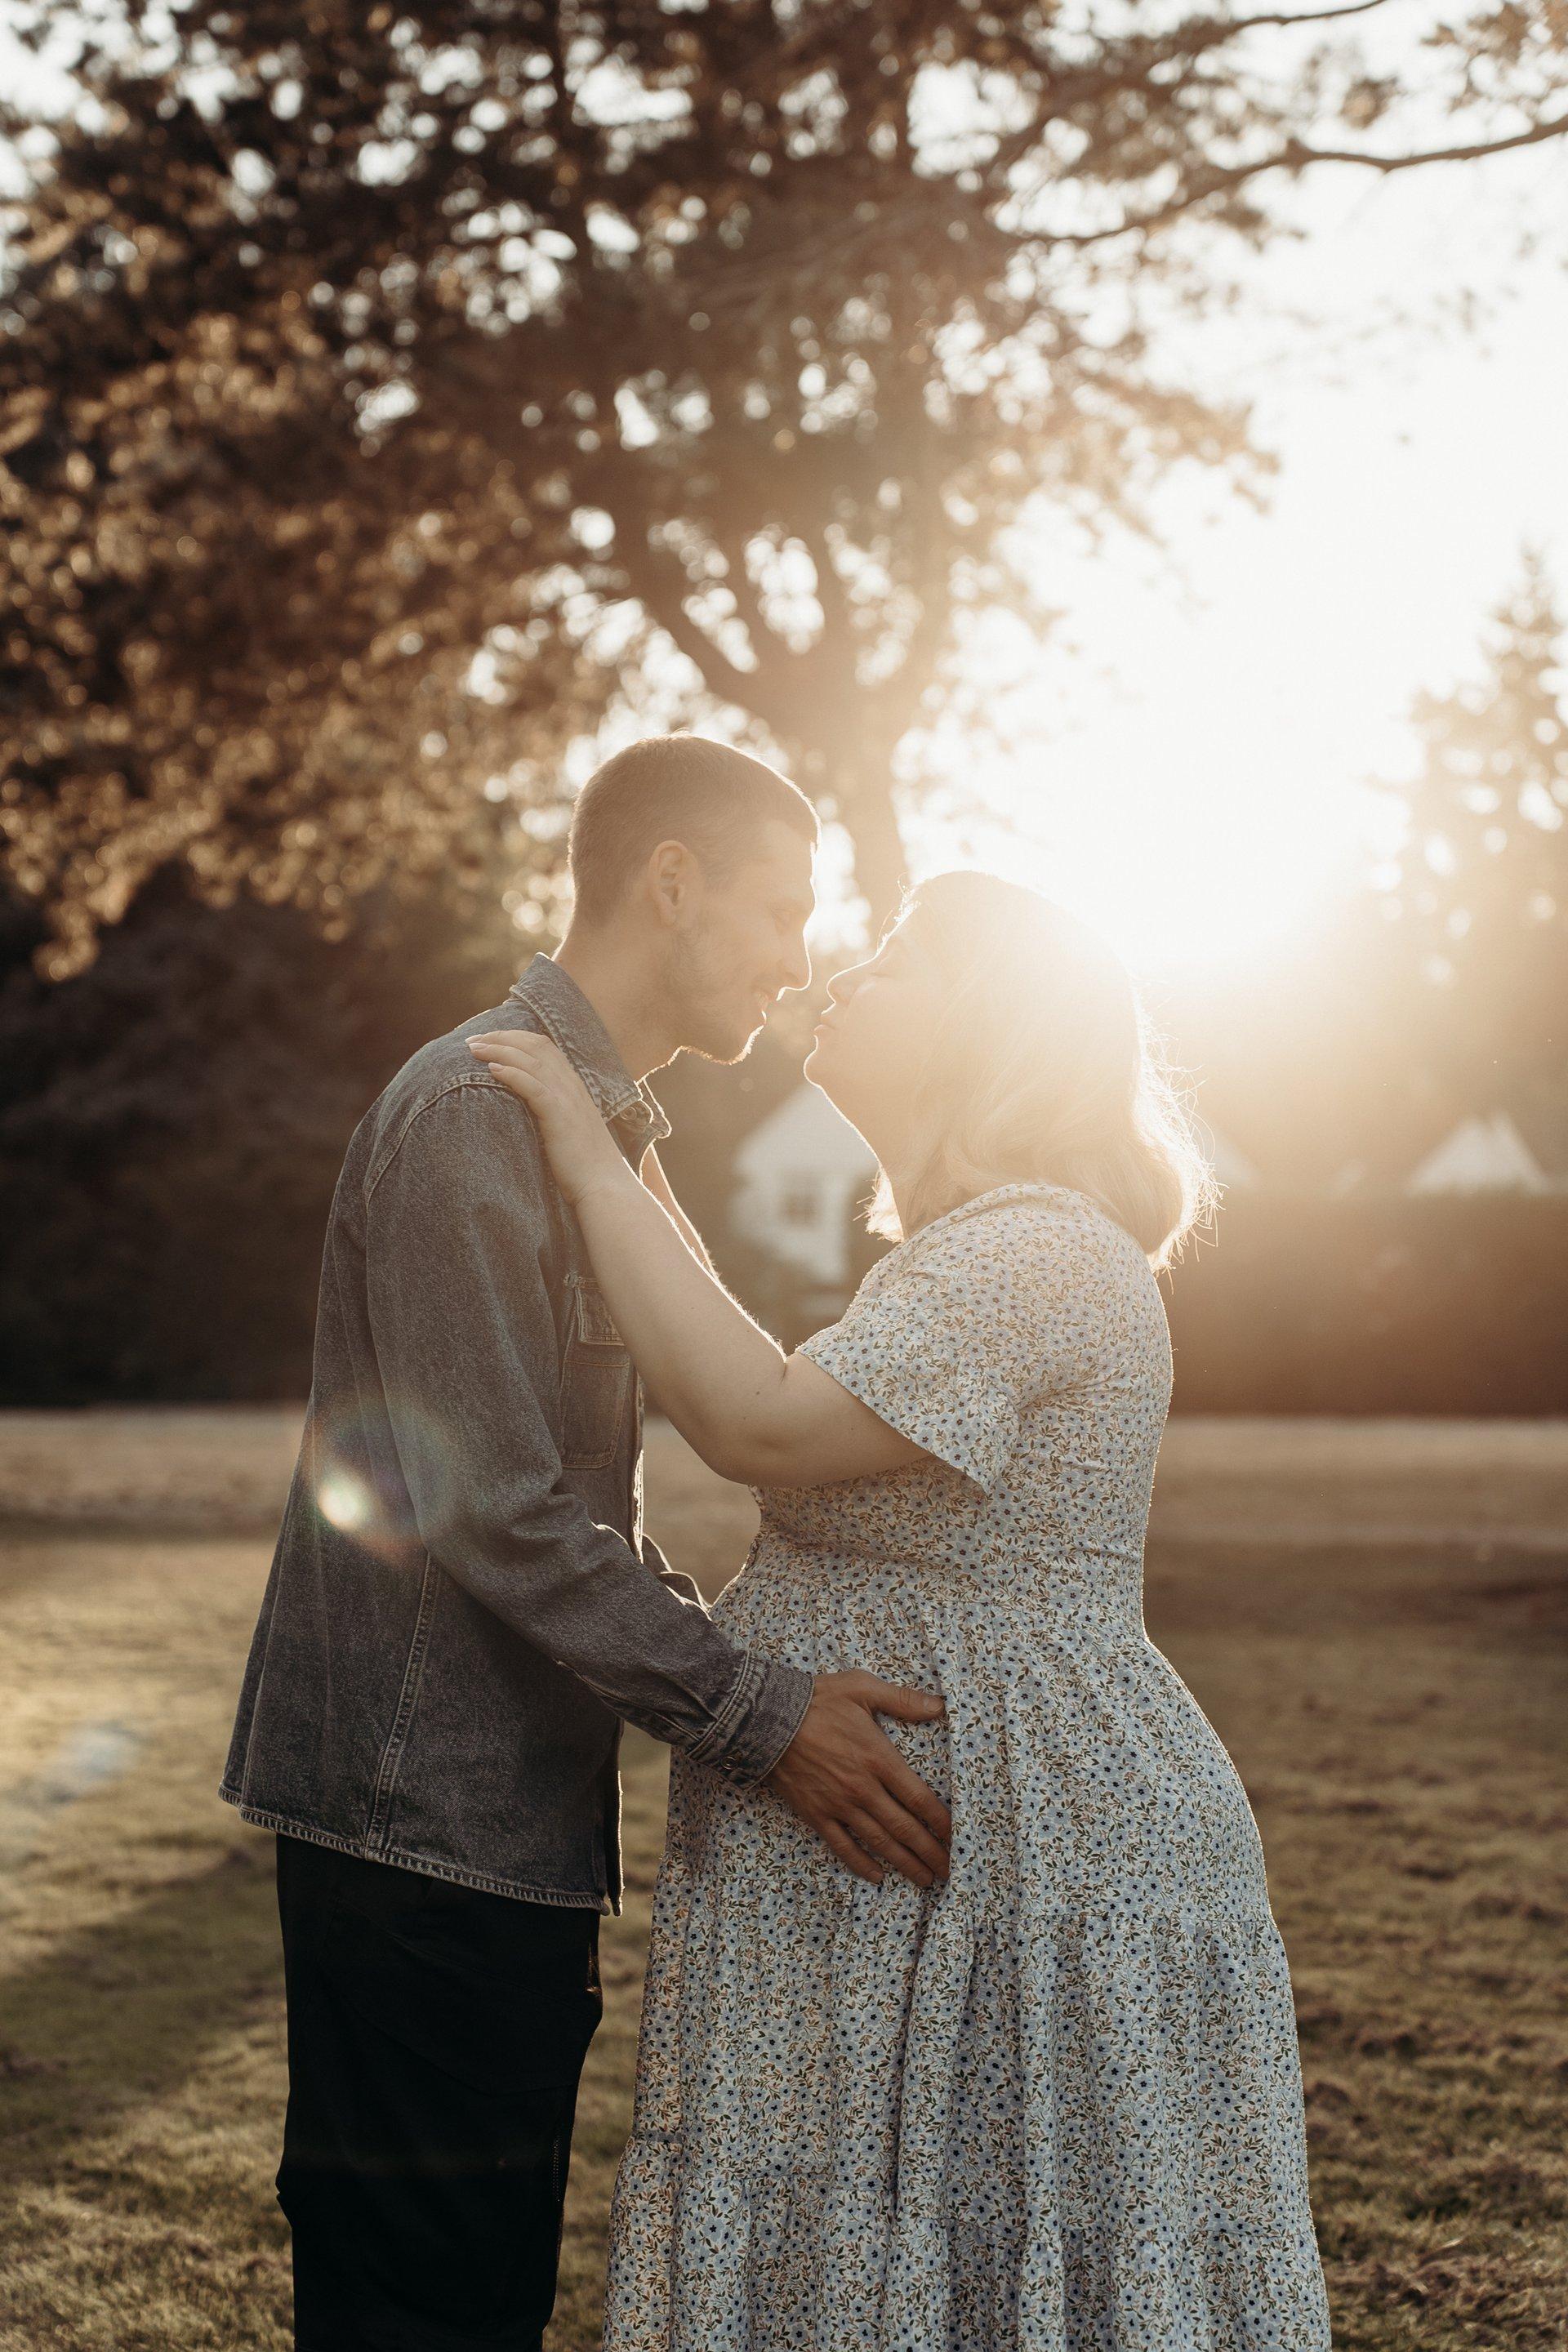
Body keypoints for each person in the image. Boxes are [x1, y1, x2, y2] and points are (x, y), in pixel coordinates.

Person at [470, 868, 1333, 2351]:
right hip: (923, 1837)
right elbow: (735, 1355)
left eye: (895, 959)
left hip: (1025, 1842)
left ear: (988, 1029)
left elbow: (758, 1421)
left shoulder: (1040, 1252)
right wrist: (621, 1137)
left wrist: (589, 1152)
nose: (842, 975)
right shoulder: (964, 1251)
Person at [220, 735, 951, 2352]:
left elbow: (615, 1474)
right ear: (669, 882)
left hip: (498, 1832)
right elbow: (495, 1513)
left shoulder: (589, 1133)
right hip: (419, 1833)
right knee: (421, 2306)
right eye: (779, 905)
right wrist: (765, 1720)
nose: (795, 952)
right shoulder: (473, 1114)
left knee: (475, 2298)